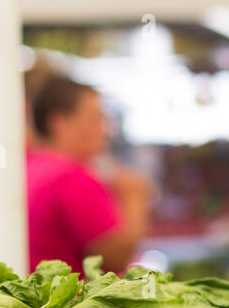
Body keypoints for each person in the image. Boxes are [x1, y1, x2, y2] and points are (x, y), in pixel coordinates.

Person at [26, 74, 151, 272]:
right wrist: (135, 198)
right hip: (70, 300)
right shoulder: (71, 178)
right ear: (59, 123)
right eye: (95, 118)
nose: (104, 130)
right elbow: (114, 256)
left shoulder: (31, 167)